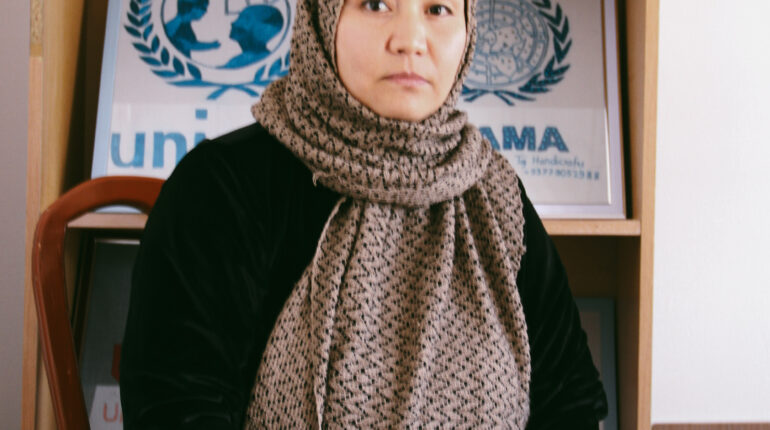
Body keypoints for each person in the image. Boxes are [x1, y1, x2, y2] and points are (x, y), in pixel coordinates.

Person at [120, 0, 608, 428]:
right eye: (375, 4)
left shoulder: (494, 195)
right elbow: (177, 407)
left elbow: (570, 403)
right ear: (322, 16)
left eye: (438, 9)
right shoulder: (224, 186)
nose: (410, 40)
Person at [220, 5, 284, 69]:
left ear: (261, 29)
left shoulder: (266, 61)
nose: (233, 23)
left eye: (245, 19)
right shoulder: (238, 60)